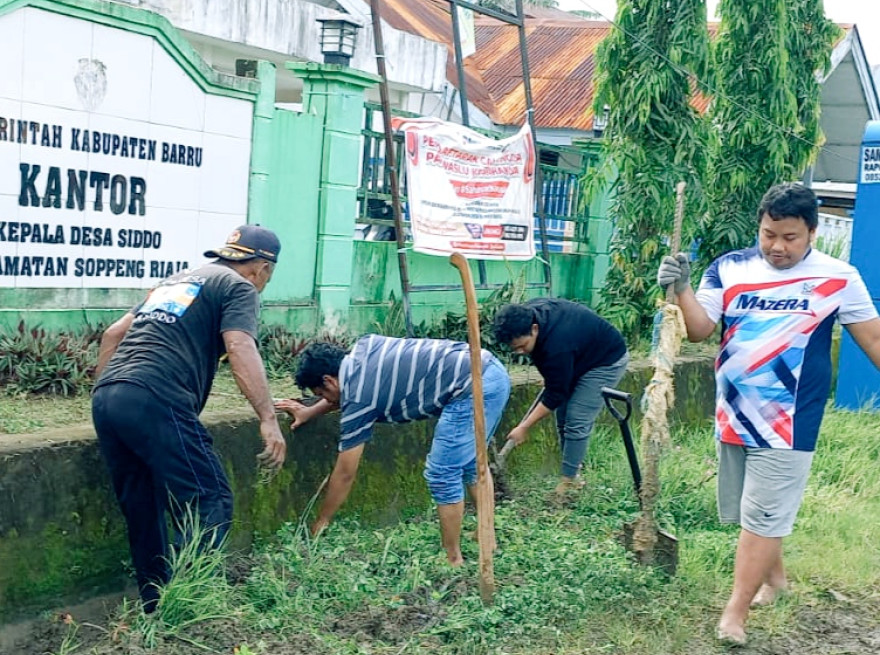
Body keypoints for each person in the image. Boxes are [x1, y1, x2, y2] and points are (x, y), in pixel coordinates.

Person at [658, 183, 880, 645]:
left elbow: (873, 341)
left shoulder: (839, 277)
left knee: (762, 515)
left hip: (791, 417)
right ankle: (775, 580)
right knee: (750, 508)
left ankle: (734, 614)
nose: (777, 247)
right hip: (734, 411)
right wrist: (681, 288)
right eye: (768, 234)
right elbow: (700, 330)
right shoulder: (730, 268)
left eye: (790, 237)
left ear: (813, 233)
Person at [92, 225, 287, 613]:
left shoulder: (177, 281)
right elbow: (239, 345)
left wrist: (109, 390)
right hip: (156, 396)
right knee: (209, 497)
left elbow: (113, 335)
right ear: (262, 268)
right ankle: (188, 606)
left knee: (143, 507)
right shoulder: (239, 287)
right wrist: (267, 417)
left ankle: (156, 606)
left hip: (109, 397)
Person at [276, 336, 511, 566]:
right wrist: (309, 412)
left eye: (321, 394)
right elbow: (342, 394)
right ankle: (486, 536)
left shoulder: (360, 396)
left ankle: (452, 559)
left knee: (443, 473)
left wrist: (322, 520)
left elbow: (345, 472)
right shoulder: (364, 348)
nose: (325, 400)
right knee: (470, 464)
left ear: (329, 380)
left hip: (473, 387)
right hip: (490, 371)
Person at [491, 298, 629, 494]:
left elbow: (555, 394)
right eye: (515, 349)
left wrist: (524, 427)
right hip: (578, 355)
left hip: (605, 361)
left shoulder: (557, 346)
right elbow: (555, 386)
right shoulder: (527, 315)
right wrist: (555, 376)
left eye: (523, 346)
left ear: (535, 329)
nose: (520, 352)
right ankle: (574, 474)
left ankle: (568, 483)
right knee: (562, 418)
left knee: (577, 419)